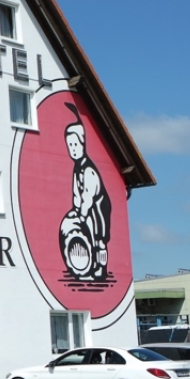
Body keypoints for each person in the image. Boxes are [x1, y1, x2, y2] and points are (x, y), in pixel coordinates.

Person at [59, 102, 111, 280]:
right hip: (86, 209)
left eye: (75, 144)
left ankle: (101, 268)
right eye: (69, 145)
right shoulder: (76, 169)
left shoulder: (89, 170)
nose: (72, 149)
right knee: (87, 232)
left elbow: (88, 197)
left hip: (98, 208)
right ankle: (89, 264)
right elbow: (76, 194)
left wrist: (81, 214)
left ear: (83, 144)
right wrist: (76, 210)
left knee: (99, 238)